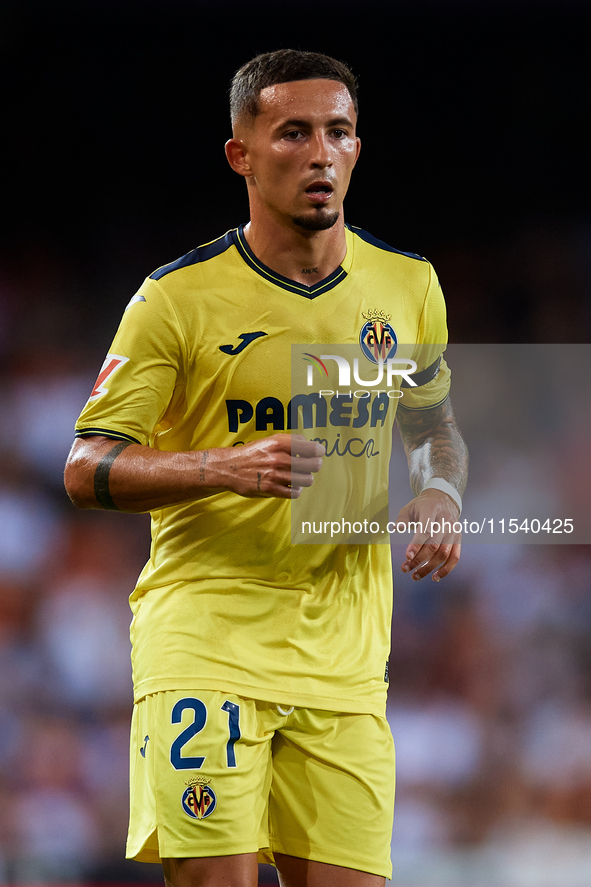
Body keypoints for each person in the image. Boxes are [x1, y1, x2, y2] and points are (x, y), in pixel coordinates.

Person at [64, 49, 467, 887]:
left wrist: (438, 486)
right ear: (240, 155)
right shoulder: (175, 299)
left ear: (357, 148)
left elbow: (433, 425)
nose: (319, 153)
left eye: (338, 132)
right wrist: (223, 463)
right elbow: (86, 463)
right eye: (292, 133)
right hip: (208, 641)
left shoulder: (407, 286)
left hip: (347, 661)